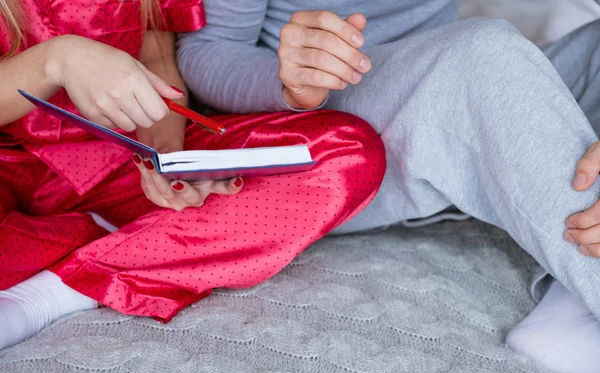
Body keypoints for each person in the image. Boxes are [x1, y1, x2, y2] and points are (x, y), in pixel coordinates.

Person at [177, 0, 600, 373]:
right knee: (480, 54)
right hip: (321, 136)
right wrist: (289, 83)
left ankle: (572, 304)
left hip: (442, 88)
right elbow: (209, 49)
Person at [0, 0, 385, 350]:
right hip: (12, 167)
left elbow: (159, 66)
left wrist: (166, 158)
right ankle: (133, 242)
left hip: (123, 163)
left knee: (346, 152)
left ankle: (56, 288)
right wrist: (56, 60)